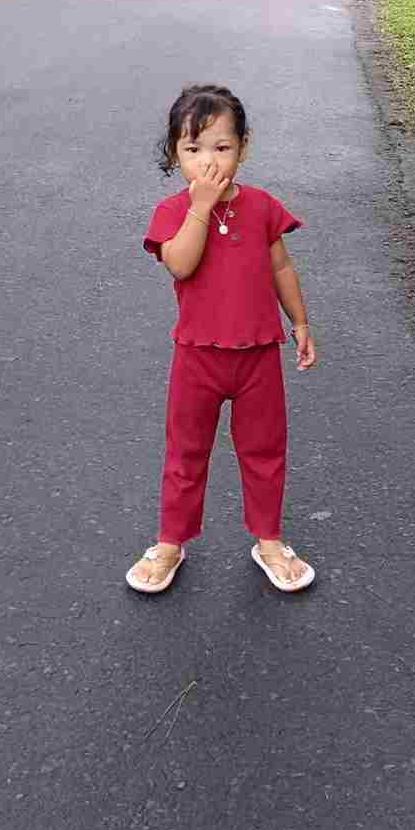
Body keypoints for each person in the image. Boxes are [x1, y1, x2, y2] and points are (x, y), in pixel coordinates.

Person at [126, 84, 317, 596]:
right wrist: (201, 206)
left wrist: (298, 321)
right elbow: (181, 264)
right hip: (197, 358)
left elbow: (281, 265)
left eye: (221, 147)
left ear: (243, 147)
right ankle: (170, 541)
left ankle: (269, 540)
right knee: (186, 453)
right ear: (174, 154)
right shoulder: (173, 212)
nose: (207, 161)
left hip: (258, 356)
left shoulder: (262, 206)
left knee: (265, 451)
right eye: (192, 149)